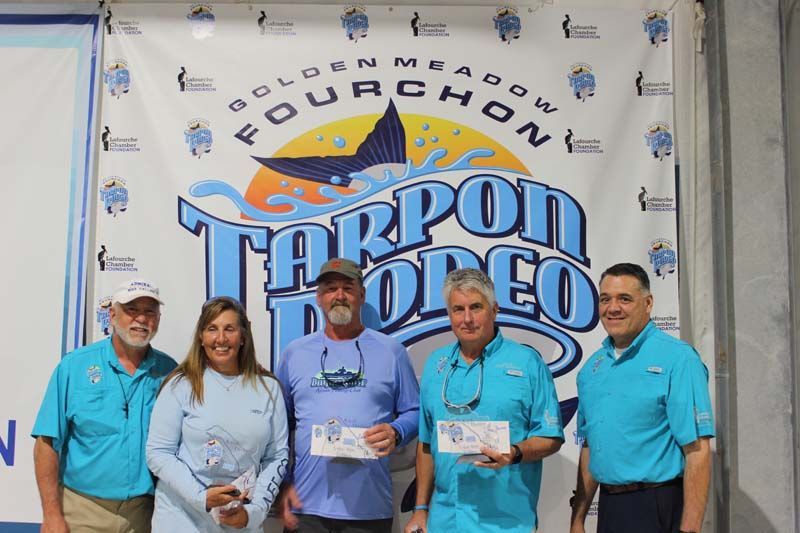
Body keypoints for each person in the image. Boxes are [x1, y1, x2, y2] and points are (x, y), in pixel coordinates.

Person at [405, 268, 564, 533]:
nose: (467, 319)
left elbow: (551, 437)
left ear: (494, 309)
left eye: (476, 307)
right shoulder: (435, 365)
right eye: (458, 309)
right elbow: (425, 444)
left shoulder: (527, 363)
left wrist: (515, 453)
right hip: (446, 520)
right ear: (449, 314)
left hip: (507, 521)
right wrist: (421, 509)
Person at [275, 258, 420, 532]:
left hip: (368, 508)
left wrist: (396, 431)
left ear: (361, 295)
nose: (339, 296)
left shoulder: (391, 351)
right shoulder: (294, 353)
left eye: (347, 288)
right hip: (304, 508)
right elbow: (279, 426)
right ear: (319, 298)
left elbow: (416, 411)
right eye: (330, 288)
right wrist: (283, 484)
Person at [569, 263, 714, 533]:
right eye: (605, 299)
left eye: (625, 299)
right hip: (610, 509)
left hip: (659, 504)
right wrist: (578, 518)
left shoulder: (679, 359)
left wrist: (690, 529)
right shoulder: (591, 369)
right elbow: (591, 447)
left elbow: (697, 450)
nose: (613, 308)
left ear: (648, 304)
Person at [32, 279, 176, 533]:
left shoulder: (170, 372)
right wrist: (51, 515)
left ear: (159, 318)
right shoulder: (74, 367)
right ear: (112, 314)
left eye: (149, 312)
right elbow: (46, 443)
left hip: (144, 515)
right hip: (83, 511)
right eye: (132, 310)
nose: (141, 319)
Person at [147, 296, 289, 532]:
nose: (221, 339)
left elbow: (277, 456)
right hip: (182, 521)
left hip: (240, 521)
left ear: (243, 337)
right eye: (212, 329)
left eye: (229, 329)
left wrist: (251, 514)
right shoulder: (180, 385)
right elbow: (158, 452)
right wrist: (201, 497)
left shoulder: (268, 388)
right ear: (201, 337)